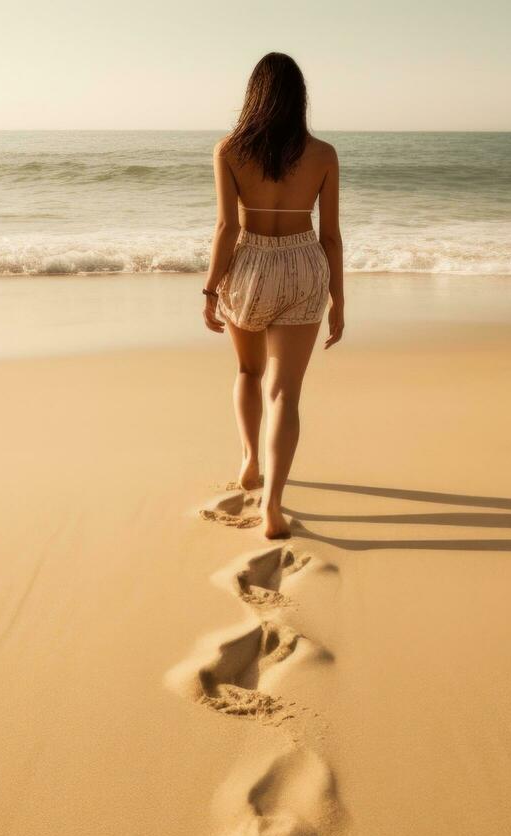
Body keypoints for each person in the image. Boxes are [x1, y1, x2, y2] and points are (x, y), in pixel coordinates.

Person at [201, 52, 344, 540]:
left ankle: (248, 460)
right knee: (285, 392)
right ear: (298, 98)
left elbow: (225, 227)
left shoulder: (229, 150)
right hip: (305, 265)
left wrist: (210, 288)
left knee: (248, 370)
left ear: (254, 94)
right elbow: (332, 236)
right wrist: (339, 300)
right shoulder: (323, 154)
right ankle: (274, 508)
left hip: (251, 265)